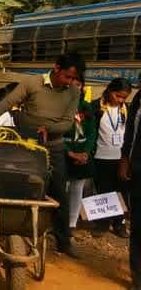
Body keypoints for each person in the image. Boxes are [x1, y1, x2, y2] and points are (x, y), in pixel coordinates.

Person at [0, 53, 85, 258]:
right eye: (67, 76)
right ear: (56, 68)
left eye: (73, 78)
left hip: (53, 146)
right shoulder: (32, 82)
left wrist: (48, 128)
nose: (69, 82)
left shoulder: (73, 91)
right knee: (17, 184)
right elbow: (7, 102)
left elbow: (67, 122)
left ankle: (64, 241)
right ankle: (10, 226)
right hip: (25, 143)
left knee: (59, 193)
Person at [91, 77, 132, 238]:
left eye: (124, 97)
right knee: (104, 190)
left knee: (121, 191)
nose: (120, 100)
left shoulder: (127, 109)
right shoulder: (96, 107)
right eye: (118, 95)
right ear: (109, 90)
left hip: (121, 158)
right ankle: (102, 223)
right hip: (102, 156)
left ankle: (119, 223)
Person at [65, 75, 96, 233]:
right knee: (62, 187)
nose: (75, 88)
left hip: (82, 153)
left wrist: (85, 153)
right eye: (72, 84)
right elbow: (54, 133)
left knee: (78, 187)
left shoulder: (87, 107)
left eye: (78, 85)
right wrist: (69, 153)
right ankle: (58, 221)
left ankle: (72, 223)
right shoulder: (60, 105)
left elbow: (92, 133)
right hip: (63, 152)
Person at [121, 86, 141, 289]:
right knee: (138, 224)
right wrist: (125, 158)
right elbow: (130, 133)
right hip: (138, 169)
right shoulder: (137, 100)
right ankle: (137, 275)